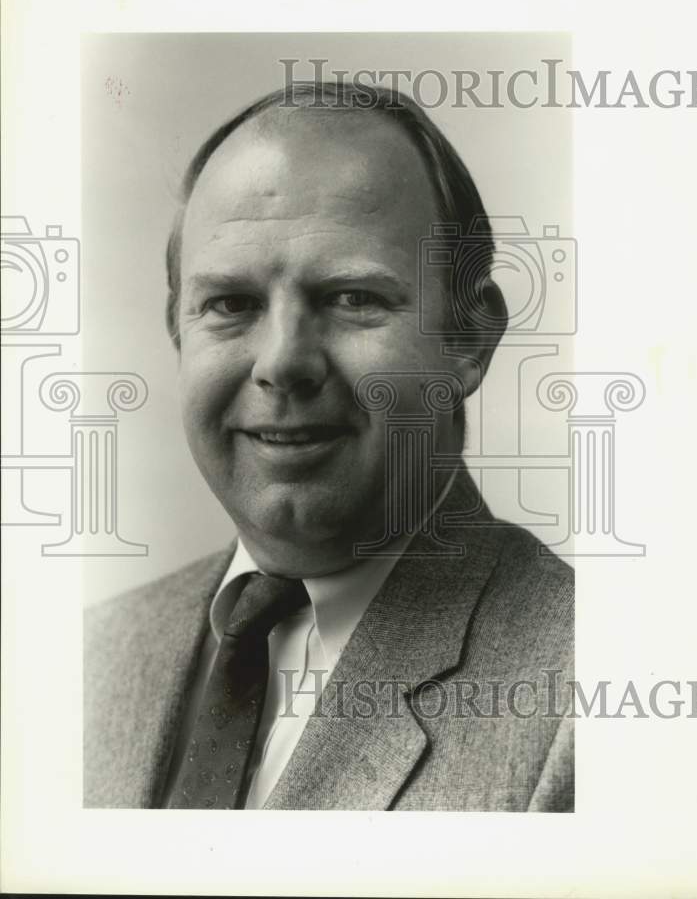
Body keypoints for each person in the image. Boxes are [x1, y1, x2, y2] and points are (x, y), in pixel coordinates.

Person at [84, 81, 574, 811]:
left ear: (467, 340)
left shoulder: (586, 697)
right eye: (230, 305)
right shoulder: (82, 657)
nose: (282, 362)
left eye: (353, 298)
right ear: (178, 331)